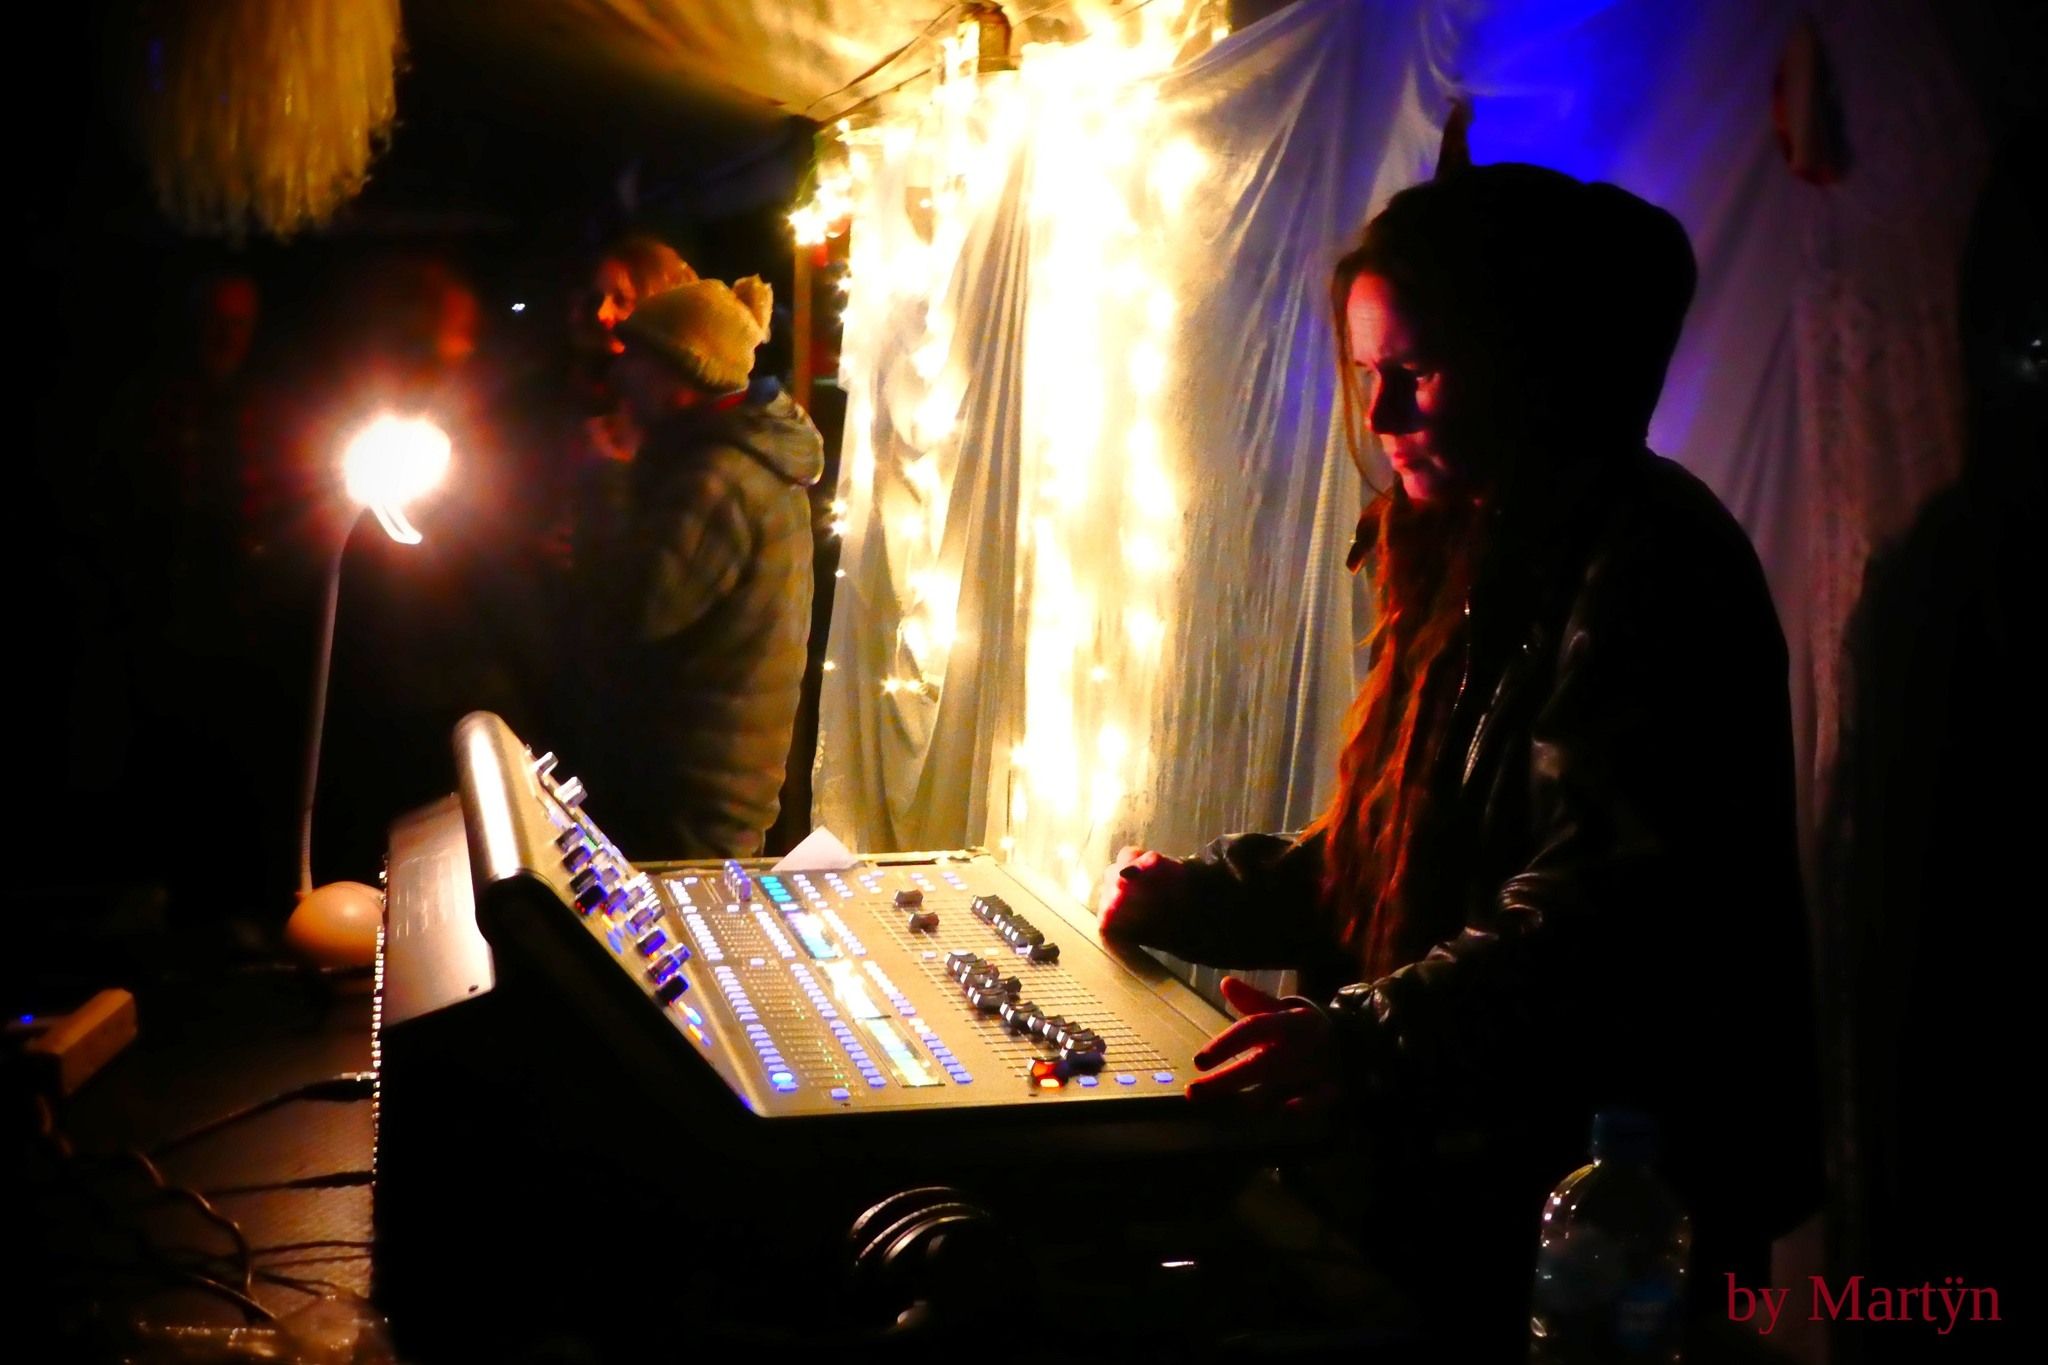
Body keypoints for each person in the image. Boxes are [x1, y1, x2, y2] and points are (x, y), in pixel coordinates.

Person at [1095, 165, 1821, 1348]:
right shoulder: (1472, 543)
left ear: (1532, 365)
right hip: (1472, 1159)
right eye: (1367, 376)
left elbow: (1600, 909)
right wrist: (1209, 896)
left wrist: (1363, 1037)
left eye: (1414, 376)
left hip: (1590, 1198)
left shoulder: (1647, 567)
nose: (1379, 420)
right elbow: (1418, 844)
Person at [566, 273, 824, 858]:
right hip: (704, 783)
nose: (619, 371)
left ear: (678, 375)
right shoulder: (728, 456)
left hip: (691, 796)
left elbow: (632, 614)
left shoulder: (718, 479)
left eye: (634, 356)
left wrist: (605, 481)